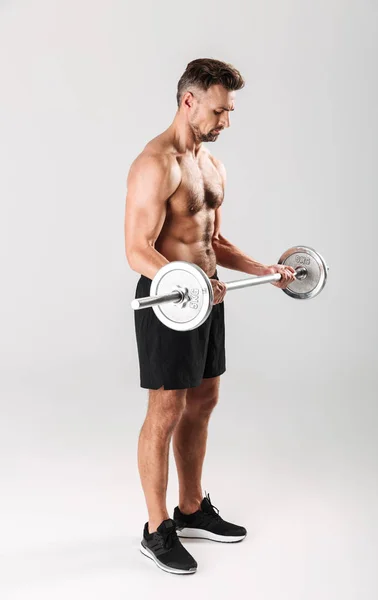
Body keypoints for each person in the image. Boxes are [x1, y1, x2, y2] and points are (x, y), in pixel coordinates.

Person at [124, 58, 296, 575]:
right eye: (220, 111)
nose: (226, 122)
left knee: (204, 399)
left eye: (230, 112)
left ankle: (192, 507)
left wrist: (262, 267)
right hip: (169, 301)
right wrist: (192, 283)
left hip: (208, 296)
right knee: (166, 408)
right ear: (189, 101)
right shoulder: (156, 163)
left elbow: (214, 241)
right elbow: (137, 249)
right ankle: (156, 528)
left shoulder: (212, 166)